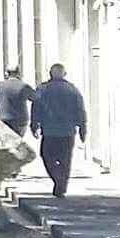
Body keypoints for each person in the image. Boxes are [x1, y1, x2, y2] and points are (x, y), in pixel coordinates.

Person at [31, 63, 87, 198]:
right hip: (67, 131)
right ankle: (61, 185)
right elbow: (80, 110)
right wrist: (82, 128)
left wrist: (34, 125)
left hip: (49, 131)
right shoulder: (72, 90)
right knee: (65, 159)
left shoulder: (43, 89)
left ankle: (57, 178)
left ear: (50, 74)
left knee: (47, 156)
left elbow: (36, 108)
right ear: (64, 74)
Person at [0, 66, 34, 135]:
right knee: (19, 141)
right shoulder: (24, 86)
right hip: (21, 121)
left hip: (5, 119)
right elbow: (35, 98)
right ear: (18, 73)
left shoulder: (0, 85)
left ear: (6, 73)